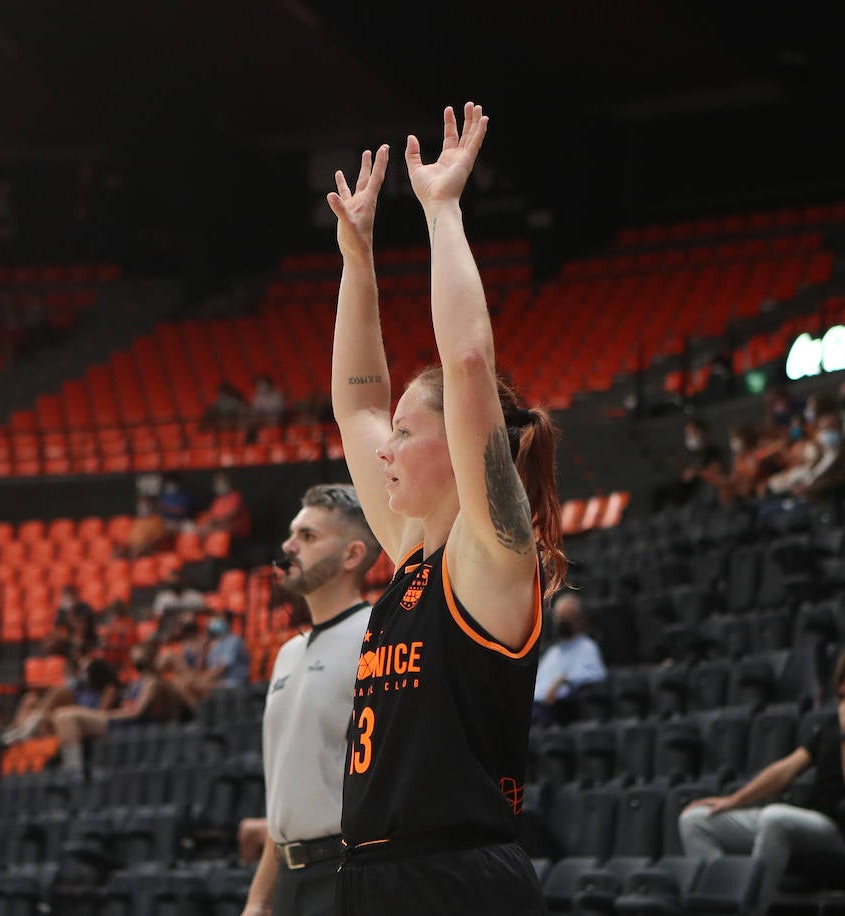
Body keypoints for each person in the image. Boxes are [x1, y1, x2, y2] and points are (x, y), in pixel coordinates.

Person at [325, 104, 565, 914]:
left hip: (456, 879)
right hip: (369, 874)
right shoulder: (409, 552)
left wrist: (441, 210)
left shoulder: (494, 554)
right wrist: (357, 259)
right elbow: (356, 405)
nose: (382, 448)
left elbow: (466, 361)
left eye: (405, 432)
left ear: (458, 447)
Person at [242, 484, 381, 916]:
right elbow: (284, 797)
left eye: (308, 536)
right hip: (288, 879)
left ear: (352, 555)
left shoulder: (377, 637)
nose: (288, 546)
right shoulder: (287, 654)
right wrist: (259, 898)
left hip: (349, 874)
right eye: (291, 534)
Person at [679, 647, 845, 912]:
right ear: (842, 685)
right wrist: (733, 800)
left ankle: (750, 909)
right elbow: (785, 770)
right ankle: (721, 905)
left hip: (840, 832)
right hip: (806, 821)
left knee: (776, 817)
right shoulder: (829, 727)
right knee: (696, 821)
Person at [51, 642, 193, 775]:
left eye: (137, 655)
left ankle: (75, 771)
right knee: (60, 715)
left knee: (68, 717)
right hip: (121, 718)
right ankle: (72, 767)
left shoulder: (152, 682)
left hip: (130, 724)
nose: (133, 658)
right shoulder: (137, 681)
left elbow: (136, 712)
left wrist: (109, 715)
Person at [532, 592, 607, 725]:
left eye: (565, 619)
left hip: (557, 710)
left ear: (579, 620)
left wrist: (564, 679)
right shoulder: (553, 652)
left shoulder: (587, 647)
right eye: (558, 618)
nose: (560, 623)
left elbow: (597, 673)